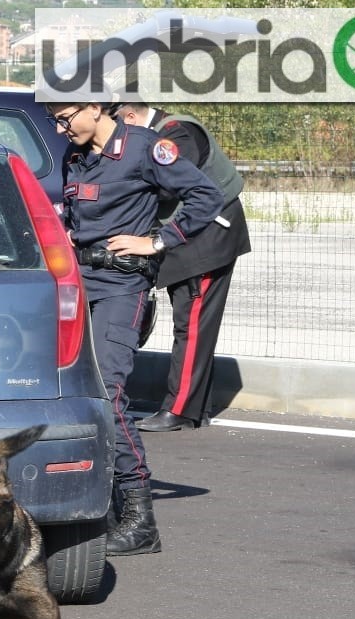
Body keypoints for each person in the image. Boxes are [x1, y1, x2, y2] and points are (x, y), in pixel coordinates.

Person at [45, 99, 222, 556]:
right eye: (55, 121)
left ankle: (140, 518)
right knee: (67, 390)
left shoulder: (145, 148)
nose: (61, 128)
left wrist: (158, 241)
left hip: (122, 288)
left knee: (108, 390)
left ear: (92, 107)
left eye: (65, 118)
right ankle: (94, 500)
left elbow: (206, 196)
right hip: (80, 286)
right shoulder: (77, 154)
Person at [111, 101, 252, 432]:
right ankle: (194, 407)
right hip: (193, 238)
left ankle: (180, 410)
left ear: (130, 117)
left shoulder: (175, 136)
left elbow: (164, 186)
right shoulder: (162, 133)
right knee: (193, 325)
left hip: (206, 242)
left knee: (191, 326)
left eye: (118, 125)